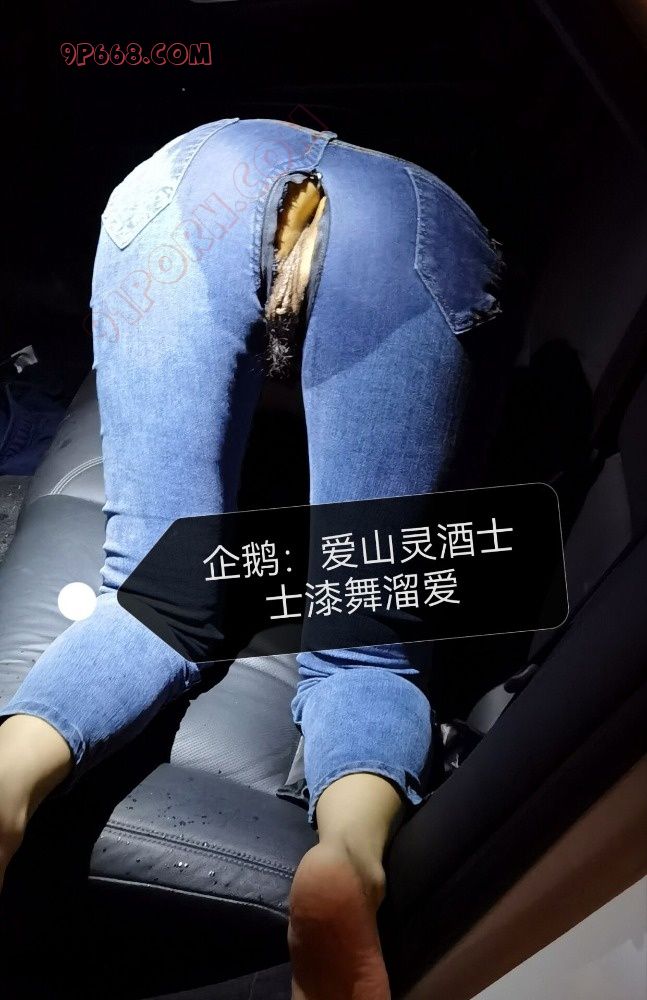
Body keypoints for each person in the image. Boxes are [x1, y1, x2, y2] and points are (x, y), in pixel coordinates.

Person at [0, 117, 506, 1000]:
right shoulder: (432, 182)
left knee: (147, 597)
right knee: (363, 649)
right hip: (412, 227)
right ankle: (347, 858)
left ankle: (7, 785)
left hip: (195, 178)